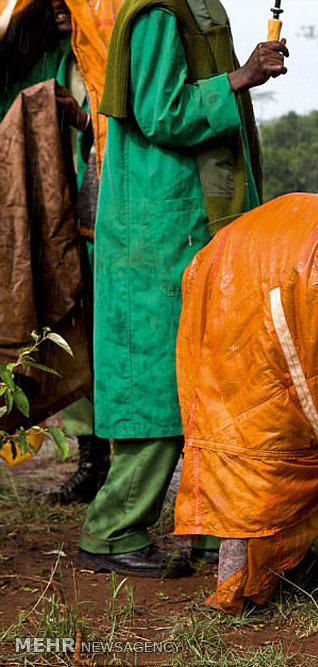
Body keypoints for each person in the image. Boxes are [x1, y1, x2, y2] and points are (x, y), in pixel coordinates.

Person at [77, 0, 287, 578]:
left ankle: (210, 529)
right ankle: (113, 529)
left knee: (210, 379)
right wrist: (242, 77)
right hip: (158, 227)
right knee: (157, 383)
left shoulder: (197, 5)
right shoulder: (158, 11)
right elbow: (160, 111)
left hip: (190, 223)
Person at [1, 0, 110, 505]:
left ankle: (117, 458)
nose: (65, 9)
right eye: (55, 1)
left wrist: (80, 116)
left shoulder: (107, 50)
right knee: (64, 325)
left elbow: (121, 125)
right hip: (51, 219)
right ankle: (91, 460)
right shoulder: (39, 57)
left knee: (103, 327)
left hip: (104, 212)